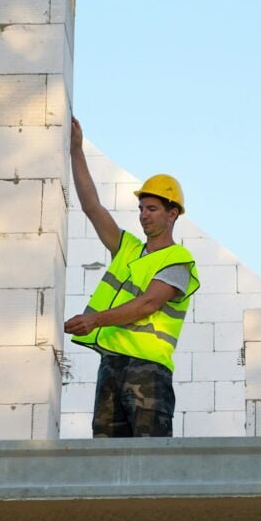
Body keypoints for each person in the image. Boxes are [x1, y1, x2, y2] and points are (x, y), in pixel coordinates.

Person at [63, 116, 200, 437]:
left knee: (150, 457)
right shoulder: (128, 248)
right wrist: (75, 151)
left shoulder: (178, 259)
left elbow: (147, 304)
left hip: (148, 370)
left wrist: (94, 321)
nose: (144, 215)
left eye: (152, 208)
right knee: (106, 457)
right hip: (111, 364)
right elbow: (91, 207)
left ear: (172, 213)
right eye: (141, 208)